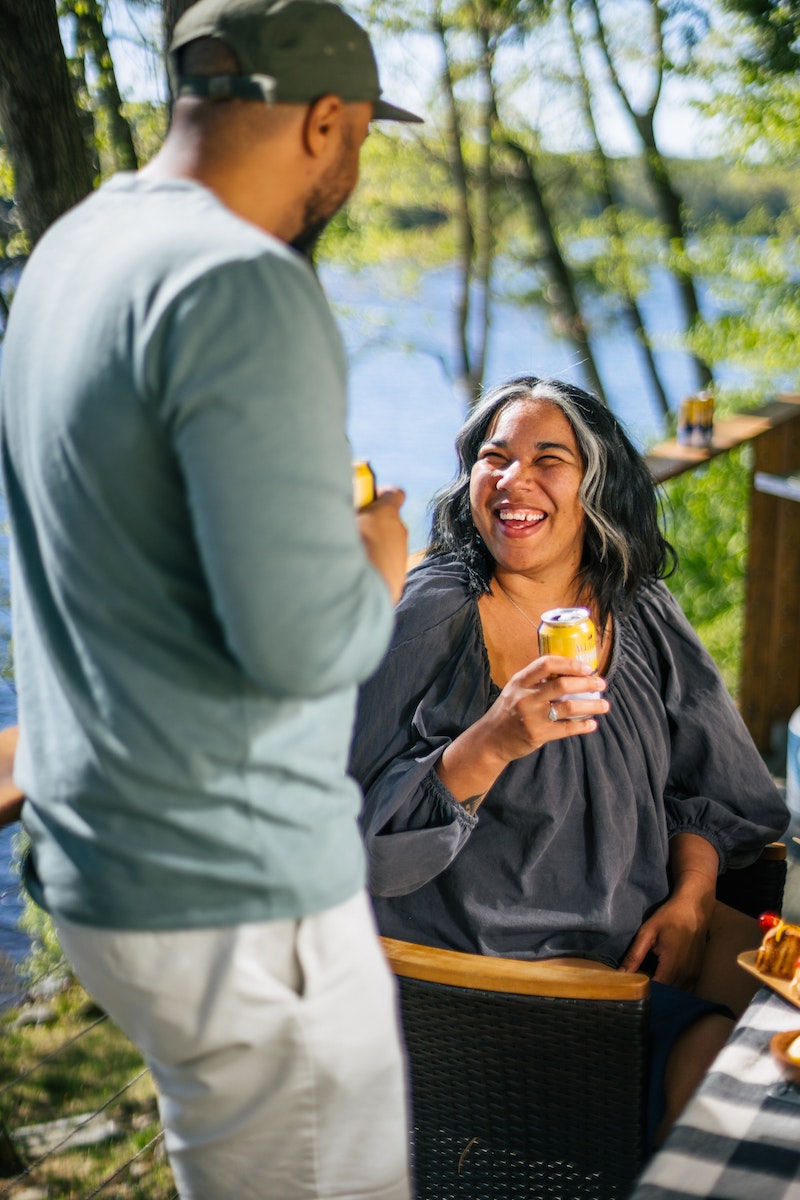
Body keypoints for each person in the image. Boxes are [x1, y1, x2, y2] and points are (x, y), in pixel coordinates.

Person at [0, 2, 422, 1198]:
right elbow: (298, 640)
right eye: (356, 141)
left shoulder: (69, 257)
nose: (348, 171)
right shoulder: (244, 282)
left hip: (101, 854)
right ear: (323, 121)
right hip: (234, 889)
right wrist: (376, 563)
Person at [350, 374, 789, 1146]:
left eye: (547, 458)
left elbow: (713, 793)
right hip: (483, 988)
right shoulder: (427, 615)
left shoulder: (638, 607)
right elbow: (346, 844)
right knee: (739, 1092)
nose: (513, 479)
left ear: (597, 484)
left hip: (643, 948)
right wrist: (493, 741)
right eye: (494, 457)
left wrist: (689, 900)